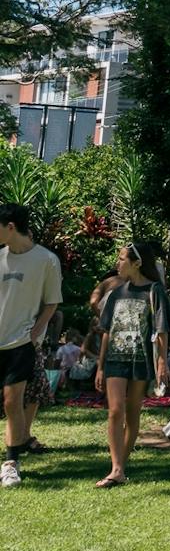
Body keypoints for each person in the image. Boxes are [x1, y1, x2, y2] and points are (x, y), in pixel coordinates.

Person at [92, 241, 170, 489]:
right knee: (115, 411)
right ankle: (116, 469)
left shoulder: (155, 291)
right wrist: (101, 366)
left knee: (133, 412)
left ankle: (119, 467)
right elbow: (106, 331)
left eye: (122, 259)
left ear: (137, 263)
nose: (118, 263)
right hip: (115, 360)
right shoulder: (116, 294)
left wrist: (162, 362)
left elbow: (161, 331)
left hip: (140, 360)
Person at [0, 203, 62, 489]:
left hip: (20, 344)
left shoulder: (46, 260)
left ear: (10, 227)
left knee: (13, 402)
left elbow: (52, 302)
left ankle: (11, 462)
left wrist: (37, 331)